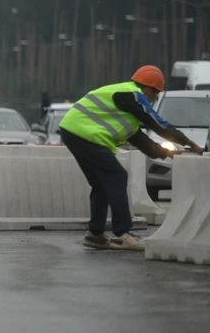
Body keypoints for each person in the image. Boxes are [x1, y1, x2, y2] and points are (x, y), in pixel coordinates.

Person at [59, 65, 204, 251]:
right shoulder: (132, 94)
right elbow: (157, 123)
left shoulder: (127, 109)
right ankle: (122, 234)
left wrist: (168, 153)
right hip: (86, 134)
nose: (154, 99)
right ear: (149, 89)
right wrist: (187, 141)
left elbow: (142, 142)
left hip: (73, 132)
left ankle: (95, 235)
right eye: (156, 94)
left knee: (101, 183)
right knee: (117, 176)